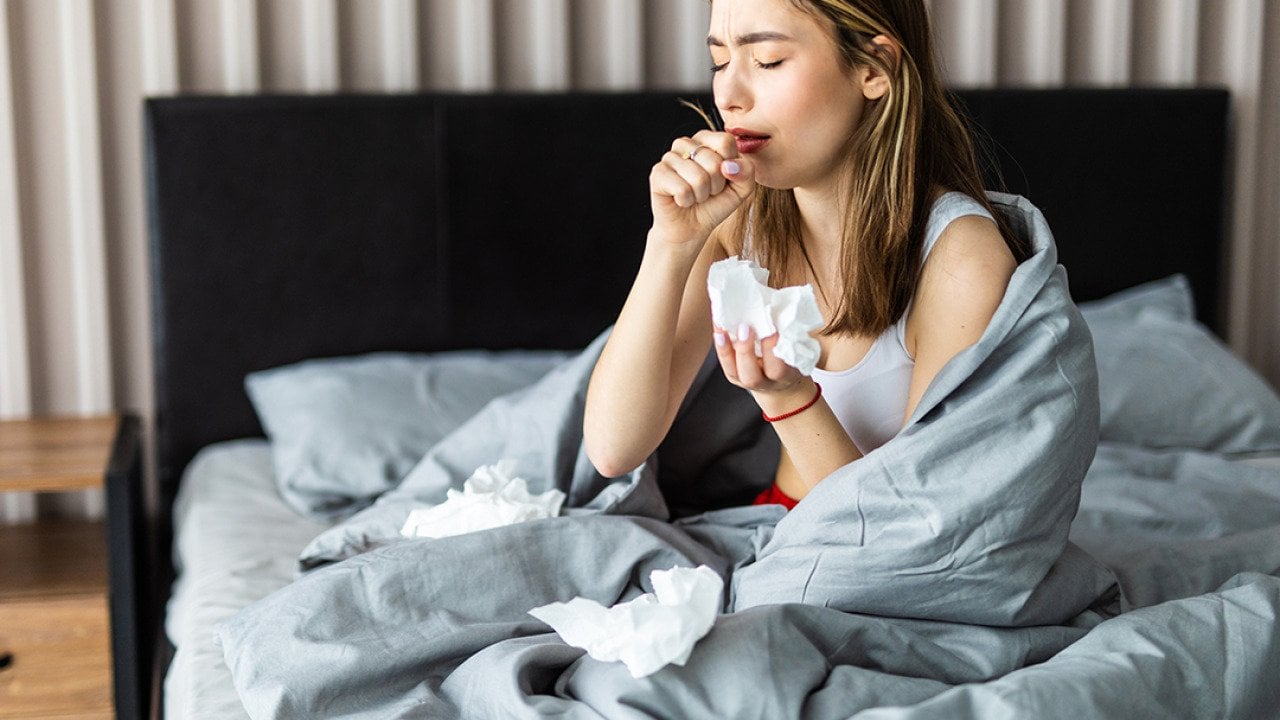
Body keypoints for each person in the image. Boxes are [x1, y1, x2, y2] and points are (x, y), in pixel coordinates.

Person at [584, 0, 1030, 510]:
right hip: (777, 526)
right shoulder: (737, 219)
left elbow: (912, 531)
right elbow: (612, 450)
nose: (728, 96)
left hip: (886, 562)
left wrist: (787, 397)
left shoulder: (958, 257)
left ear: (873, 68)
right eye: (720, 62)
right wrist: (669, 244)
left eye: (768, 60)